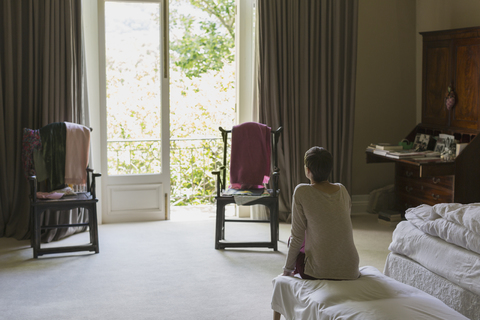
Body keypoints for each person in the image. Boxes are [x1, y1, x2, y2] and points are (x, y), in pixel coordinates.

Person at [273, 147, 360, 320]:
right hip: (351, 268)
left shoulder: (302, 191)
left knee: (292, 240)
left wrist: (287, 271)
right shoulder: (342, 190)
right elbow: (336, 226)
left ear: (308, 171)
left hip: (318, 271)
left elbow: (298, 237)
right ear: (330, 169)